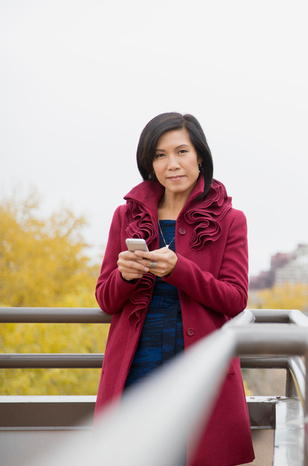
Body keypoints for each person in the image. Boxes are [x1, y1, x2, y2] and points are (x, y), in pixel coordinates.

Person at [94, 112, 255, 465]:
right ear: (150, 163)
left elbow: (235, 298)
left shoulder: (230, 219)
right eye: (160, 155)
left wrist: (180, 269)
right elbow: (106, 299)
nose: (172, 164)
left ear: (200, 156)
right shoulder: (126, 216)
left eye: (182, 151)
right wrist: (125, 276)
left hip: (198, 369)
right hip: (137, 366)